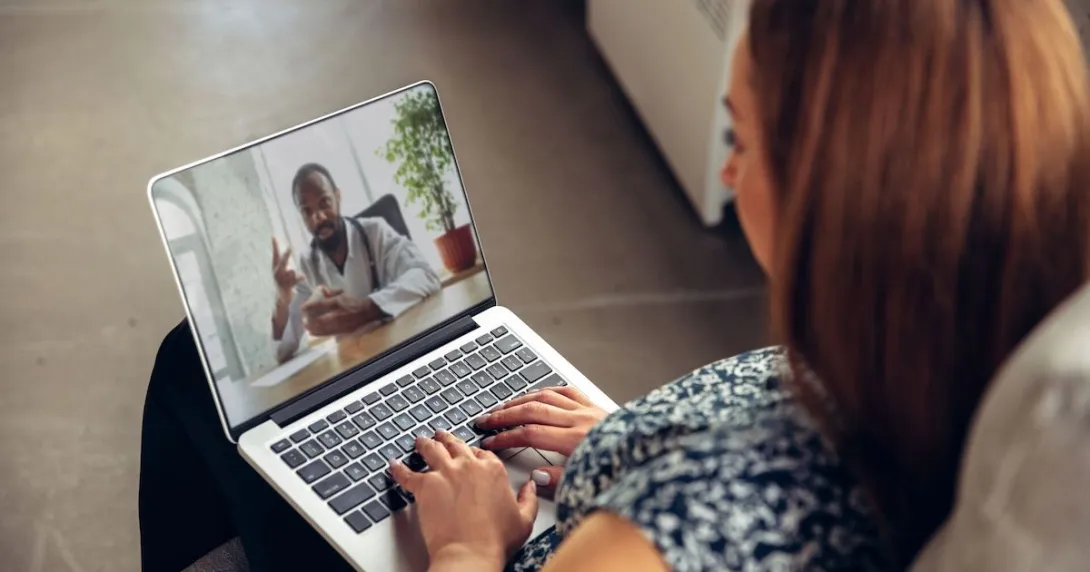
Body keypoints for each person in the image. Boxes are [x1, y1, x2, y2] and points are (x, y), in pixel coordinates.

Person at [139, 0, 1090, 570]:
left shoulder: (671, 535)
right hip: (576, 474)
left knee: (193, 374)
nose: (727, 175)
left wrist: (469, 546)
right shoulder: (960, 359)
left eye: (742, 141)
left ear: (843, 197)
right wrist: (634, 437)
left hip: (492, 543)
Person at [271, 162, 441, 363]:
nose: (318, 218)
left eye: (324, 202)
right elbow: (282, 352)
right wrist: (282, 299)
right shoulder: (308, 263)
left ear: (338, 197)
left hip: (404, 350)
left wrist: (366, 308)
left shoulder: (375, 232)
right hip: (357, 365)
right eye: (307, 211)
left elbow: (426, 275)